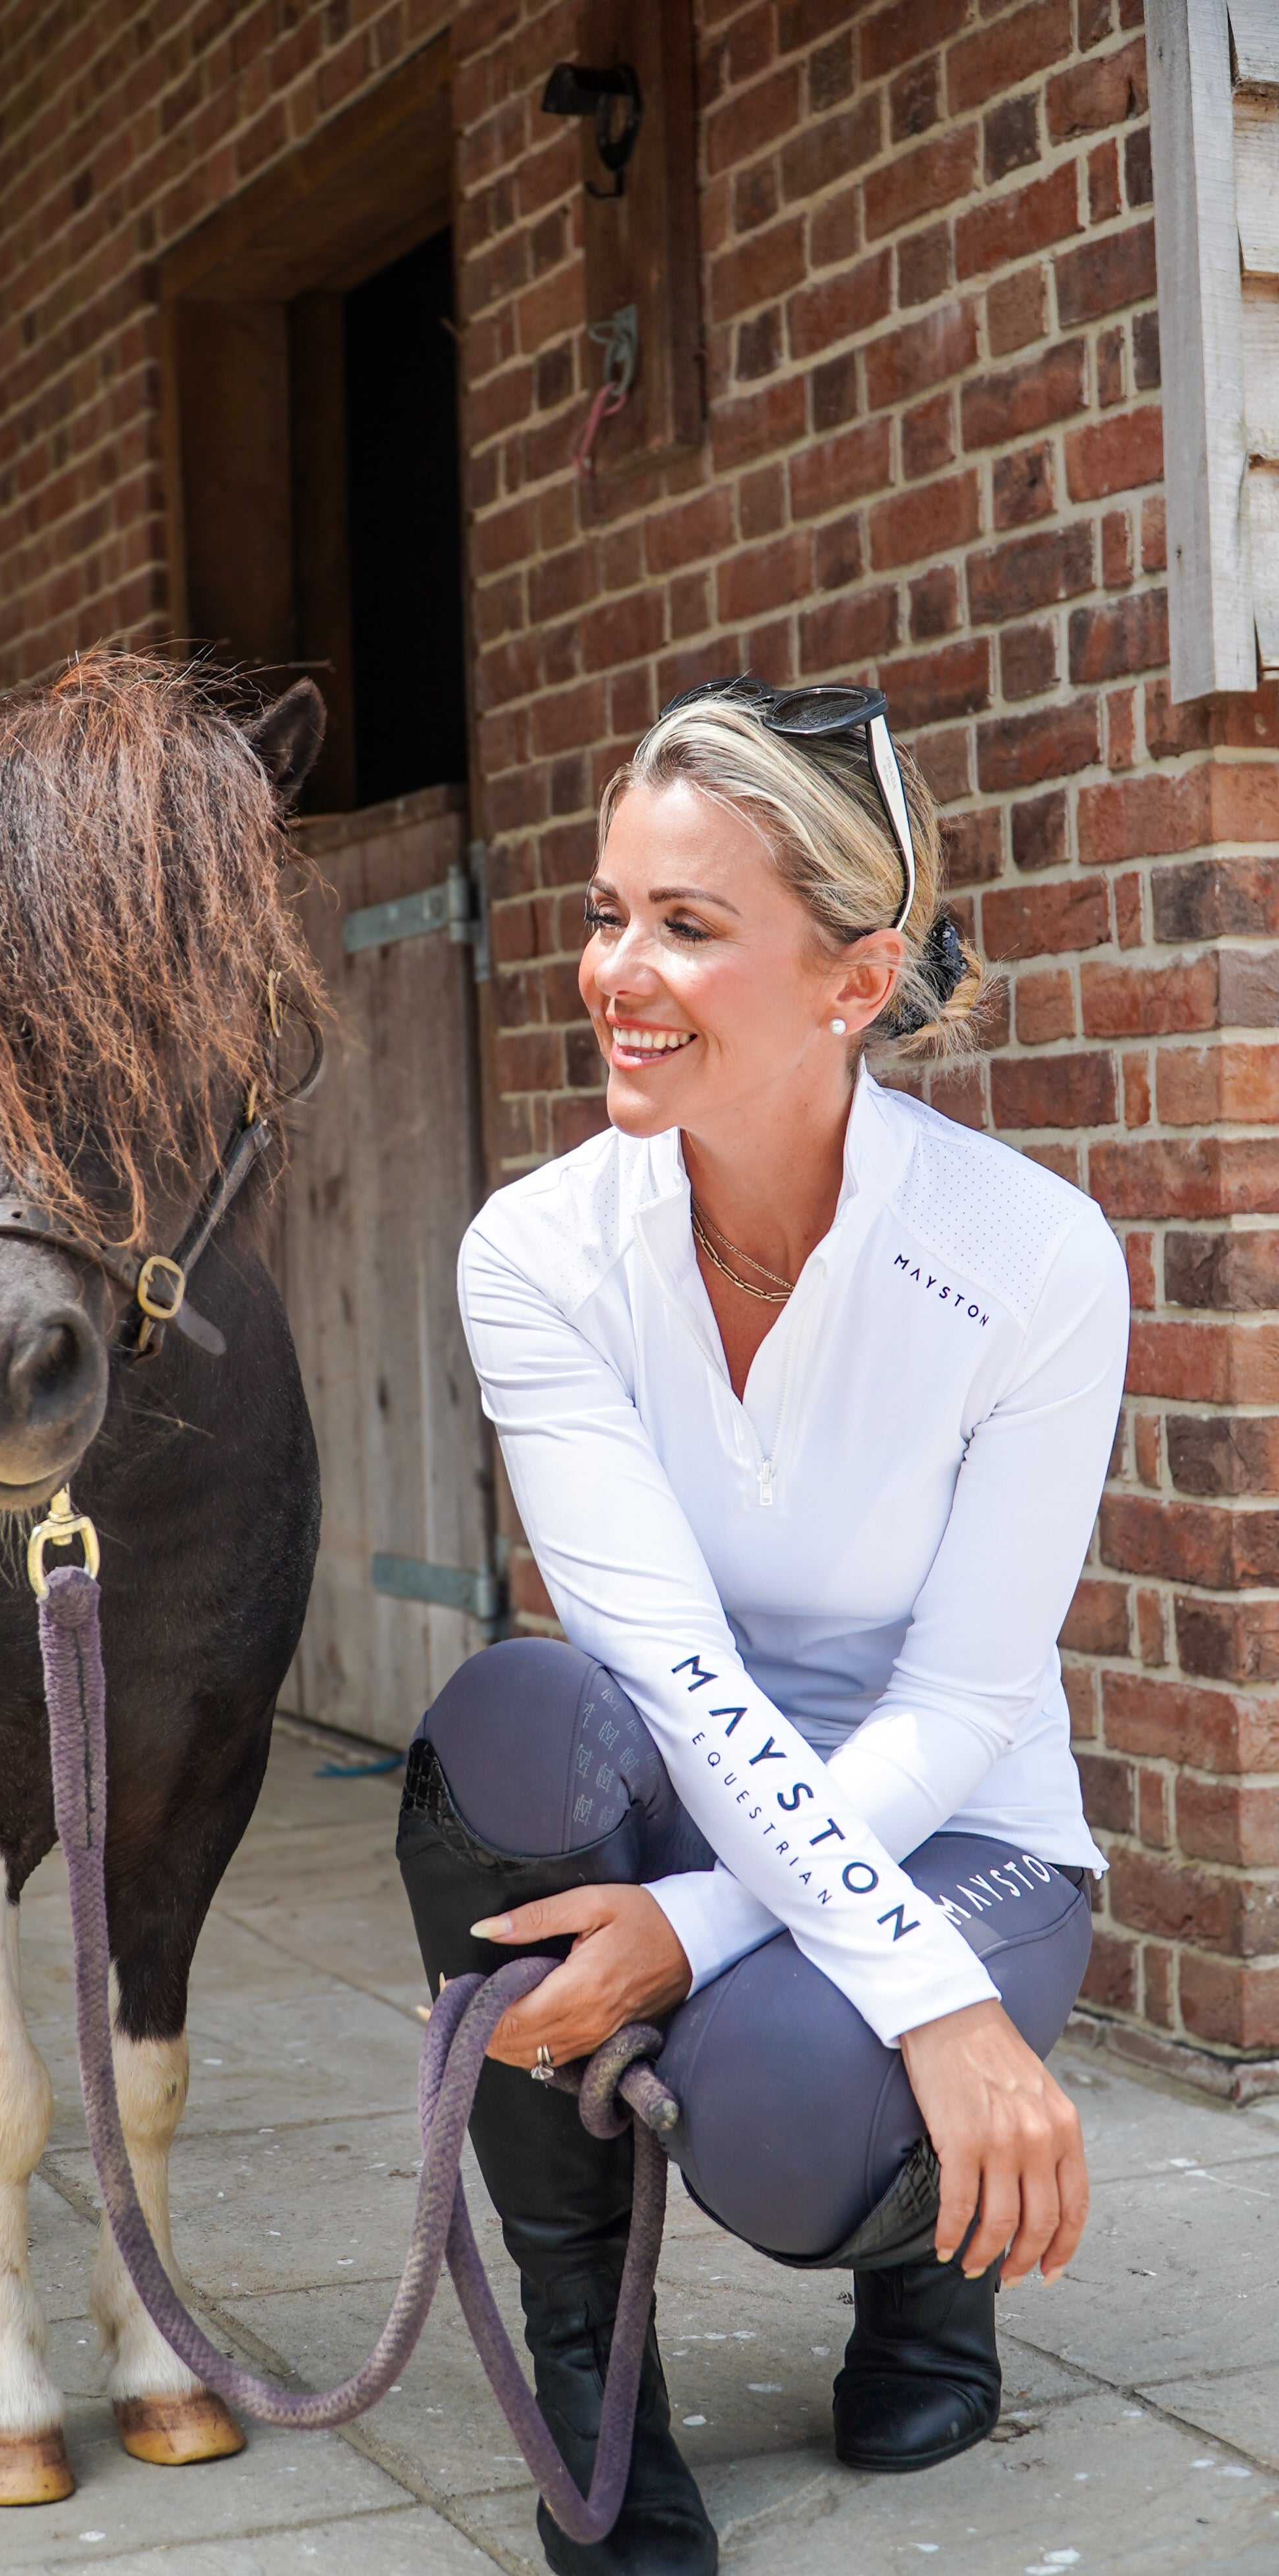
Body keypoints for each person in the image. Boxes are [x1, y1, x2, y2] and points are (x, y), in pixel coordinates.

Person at [397, 677, 1127, 2576]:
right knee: (513, 1722)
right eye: (607, 912)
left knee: (799, 2116)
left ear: (855, 980)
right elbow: (669, 1682)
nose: (618, 972)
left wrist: (756, 1941)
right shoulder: (536, 1254)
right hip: (694, 1773)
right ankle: (592, 2388)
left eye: (691, 926)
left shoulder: (1032, 1261)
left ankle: (924, 2284)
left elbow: (968, 1701)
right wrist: (800, 1948)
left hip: (962, 1829)